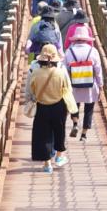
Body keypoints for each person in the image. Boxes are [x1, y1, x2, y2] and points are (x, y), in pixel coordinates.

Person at [26, 44, 74, 172]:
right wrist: (71, 107)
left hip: (42, 106)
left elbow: (29, 91)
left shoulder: (35, 72)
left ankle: (47, 164)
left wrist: (30, 101)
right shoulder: (61, 72)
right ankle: (59, 157)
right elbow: (68, 89)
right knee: (59, 131)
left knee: (43, 135)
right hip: (58, 106)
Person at [65, 27, 103, 141]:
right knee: (89, 108)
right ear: (86, 39)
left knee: (74, 106)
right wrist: (101, 85)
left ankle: (75, 123)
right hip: (90, 85)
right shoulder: (93, 51)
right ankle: (84, 134)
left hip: (74, 85)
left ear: (75, 39)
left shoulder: (69, 51)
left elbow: (65, 69)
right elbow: (98, 70)